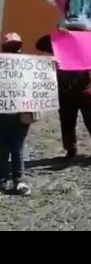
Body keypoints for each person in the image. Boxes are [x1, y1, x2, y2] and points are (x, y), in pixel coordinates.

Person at [36, 35, 91, 161]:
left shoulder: (85, 48)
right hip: (65, 93)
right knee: (67, 123)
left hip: (85, 92)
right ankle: (70, 149)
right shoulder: (55, 45)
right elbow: (40, 44)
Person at [0, 33, 33, 196]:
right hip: (7, 113)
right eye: (11, 47)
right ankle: (12, 179)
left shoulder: (30, 64)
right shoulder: (28, 62)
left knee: (11, 147)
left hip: (20, 112)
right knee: (11, 147)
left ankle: (13, 179)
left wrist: (50, 67)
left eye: (15, 46)